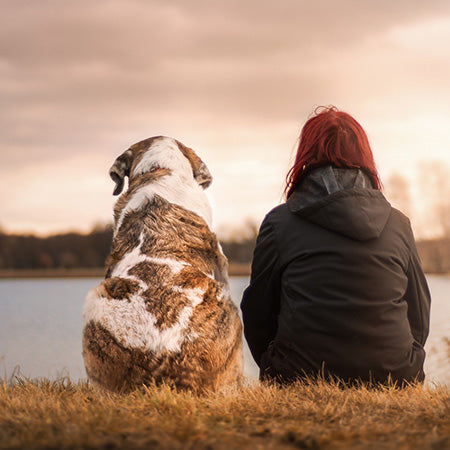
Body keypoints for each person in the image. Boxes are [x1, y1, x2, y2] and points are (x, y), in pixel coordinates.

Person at [241, 106, 431, 386]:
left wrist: (275, 365)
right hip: (395, 375)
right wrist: (401, 360)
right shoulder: (398, 223)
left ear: (305, 156)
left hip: (298, 375)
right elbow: (419, 312)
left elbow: (258, 313)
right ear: (364, 157)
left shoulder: (279, 223)